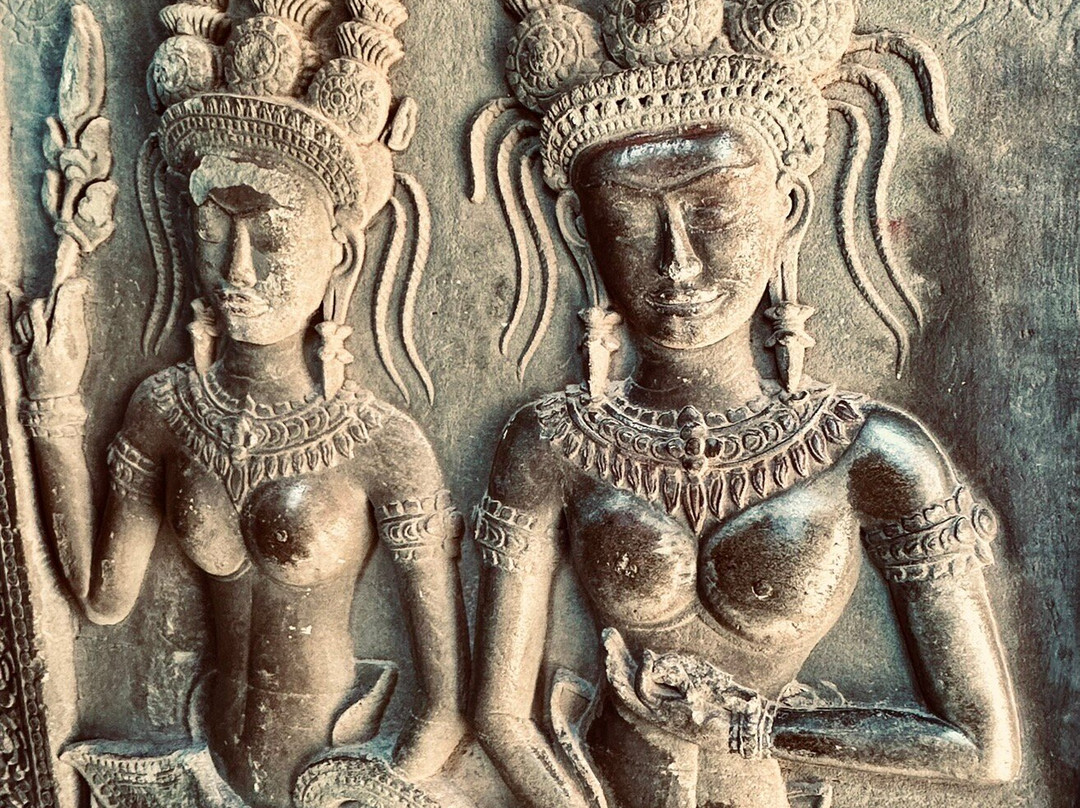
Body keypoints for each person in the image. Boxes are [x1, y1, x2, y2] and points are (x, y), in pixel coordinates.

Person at [467, 0, 1020, 806]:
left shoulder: (875, 452)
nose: (677, 261)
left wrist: (750, 727)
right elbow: (498, 714)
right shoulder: (551, 441)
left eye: (715, 212)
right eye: (629, 221)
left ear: (787, 210)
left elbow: (982, 748)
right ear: (581, 229)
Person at [15, 1, 467, 806]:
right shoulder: (167, 409)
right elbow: (102, 600)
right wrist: (53, 402)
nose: (238, 269)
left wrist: (366, 786)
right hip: (207, 772)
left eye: (272, 236)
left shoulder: (382, 445)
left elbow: (443, 713)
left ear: (341, 253)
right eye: (213, 232)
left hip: (338, 776)